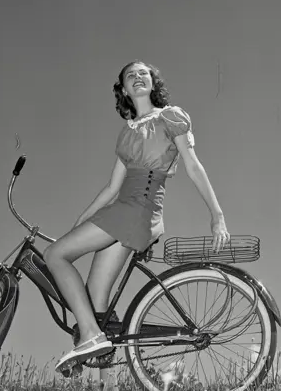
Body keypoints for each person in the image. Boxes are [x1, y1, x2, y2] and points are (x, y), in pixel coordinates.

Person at [44, 60, 230, 373]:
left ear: (153, 83)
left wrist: (217, 215)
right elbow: (111, 188)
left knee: (54, 255)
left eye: (143, 72)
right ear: (125, 91)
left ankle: (88, 337)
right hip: (123, 212)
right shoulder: (127, 134)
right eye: (130, 75)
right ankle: (100, 359)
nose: (137, 76)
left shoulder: (170, 117)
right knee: (94, 300)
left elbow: (194, 167)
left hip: (137, 211)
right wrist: (79, 223)